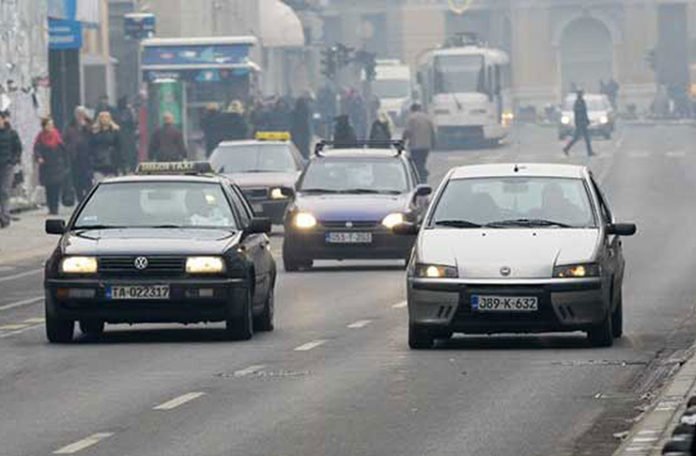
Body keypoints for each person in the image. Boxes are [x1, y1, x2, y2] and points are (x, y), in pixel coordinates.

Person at [34, 118, 68, 216]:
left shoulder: (56, 136)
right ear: (44, 126)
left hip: (56, 165)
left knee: (56, 187)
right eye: (48, 125)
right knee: (48, 188)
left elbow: (64, 150)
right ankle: (51, 208)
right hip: (46, 166)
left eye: (52, 124)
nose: (51, 127)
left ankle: (55, 208)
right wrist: (39, 157)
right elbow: (36, 149)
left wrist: (65, 163)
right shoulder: (40, 137)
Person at [63, 106, 93, 201]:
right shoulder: (70, 125)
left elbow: (93, 136)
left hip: (88, 156)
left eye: (82, 114)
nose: (80, 116)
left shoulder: (89, 124)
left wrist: (85, 126)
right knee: (77, 179)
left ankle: (88, 198)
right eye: (78, 114)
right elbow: (65, 139)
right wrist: (69, 148)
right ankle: (80, 198)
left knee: (88, 179)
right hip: (75, 156)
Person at [402, 104, 436, 183]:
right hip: (426, 146)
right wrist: (433, 143)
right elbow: (432, 132)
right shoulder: (427, 118)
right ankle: (423, 175)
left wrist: (402, 142)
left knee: (416, 164)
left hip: (415, 146)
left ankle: (421, 178)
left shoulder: (411, 118)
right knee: (422, 161)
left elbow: (407, 132)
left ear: (412, 110)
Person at [0, 113, 20, 227]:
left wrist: (13, 160)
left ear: (3, 120)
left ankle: (5, 217)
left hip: (7, 166)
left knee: (4, 191)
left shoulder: (12, 133)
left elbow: (18, 148)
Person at [91, 111, 123, 181]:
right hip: (98, 164)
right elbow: (91, 147)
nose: (104, 119)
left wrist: (120, 164)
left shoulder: (115, 131)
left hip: (111, 163)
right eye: (102, 117)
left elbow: (119, 148)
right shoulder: (94, 132)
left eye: (106, 117)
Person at [563, 90, 594, 156]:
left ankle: (589, 151)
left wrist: (586, 120)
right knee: (579, 138)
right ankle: (566, 148)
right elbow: (579, 113)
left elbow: (584, 112)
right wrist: (581, 121)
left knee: (585, 138)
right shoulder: (578, 102)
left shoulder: (581, 102)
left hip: (582, 122)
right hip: (581, 123)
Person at [116, 97, 138, 172]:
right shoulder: (128, 111)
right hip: (126, 135)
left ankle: (129, 167)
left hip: (125, 135)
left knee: (128, 153)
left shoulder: (122, 111)